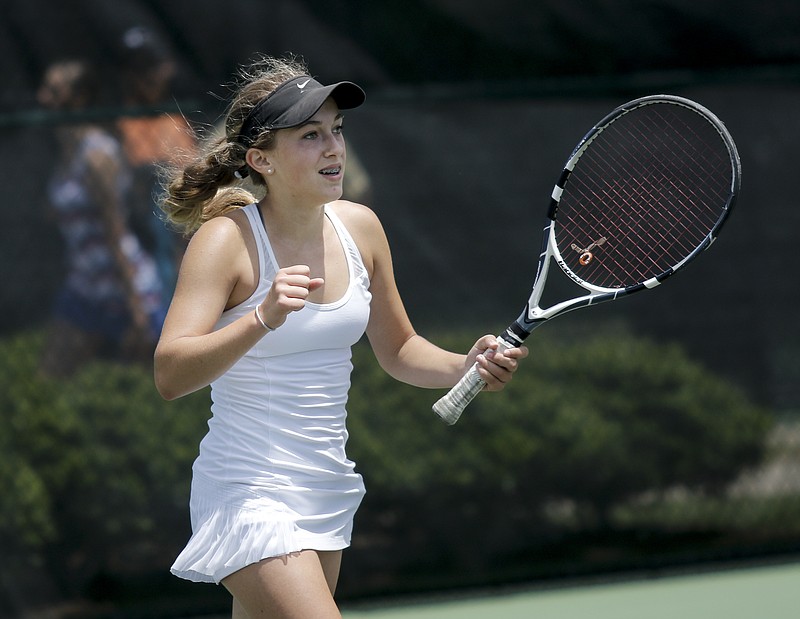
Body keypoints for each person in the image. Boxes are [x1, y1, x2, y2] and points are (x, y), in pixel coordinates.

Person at [153, 55, 528, 619]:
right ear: (262, 160)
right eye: (309, 135)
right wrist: (261, 319)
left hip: (326, 488)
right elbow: (170, 374)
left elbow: (399, 350)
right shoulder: (225, 241)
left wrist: (464, 366)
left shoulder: (361, 227)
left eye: (336, 130)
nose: (333, 147)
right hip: (247, 490)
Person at [38, 59, 166, 378]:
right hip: (85, 284)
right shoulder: (66, 149)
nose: (42, 98)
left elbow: (114, 231)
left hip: (122, 287)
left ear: (79, 98)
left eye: (54, 91)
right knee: (49, 376)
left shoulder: (97, 156)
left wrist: (136, 308)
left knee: (157, 386)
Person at [116, 26, 196, 306]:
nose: (144, 77)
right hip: (138, 229)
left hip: (178, 225)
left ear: (166, 68)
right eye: (135, 69)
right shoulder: (120, 123)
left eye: (150, 67)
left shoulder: (178, 119)